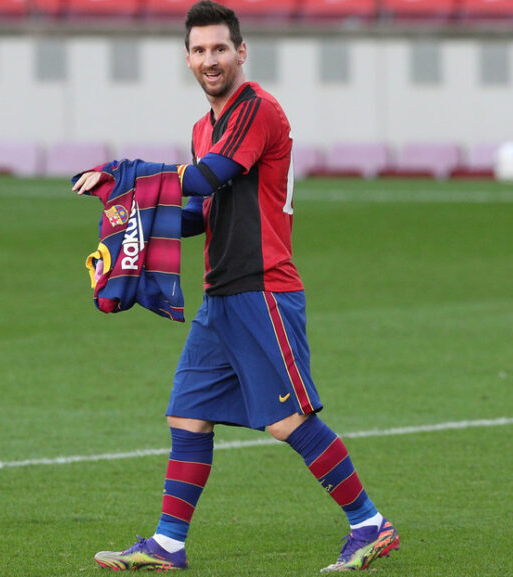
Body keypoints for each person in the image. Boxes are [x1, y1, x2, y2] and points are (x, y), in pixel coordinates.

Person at [73, 1, 398, 572]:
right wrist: (134, 229)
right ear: (188, 58)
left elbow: (206, 177)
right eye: (198, 50)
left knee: (286, 420)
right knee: (187, 414)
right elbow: (202, 210)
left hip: (263, 288)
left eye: (220, 48)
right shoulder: (204, 127)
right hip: (222, 294)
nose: (209, 60)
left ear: (241, 51)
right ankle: (168, 545)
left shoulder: (256, 110)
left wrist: (124, 176)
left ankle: (371, 525)